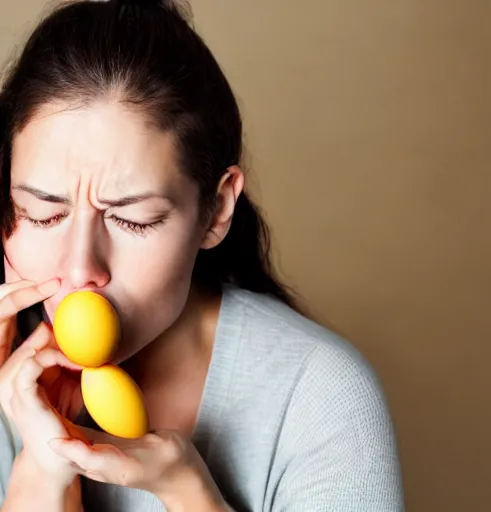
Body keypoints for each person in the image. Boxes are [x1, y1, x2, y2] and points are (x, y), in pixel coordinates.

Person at [0, 0, 404, 510]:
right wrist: (41, 467)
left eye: (132, 219)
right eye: (41, 214)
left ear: (215, 211)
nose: (81, 269)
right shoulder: (8, 384)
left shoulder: (322, 396)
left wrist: (186, 488)